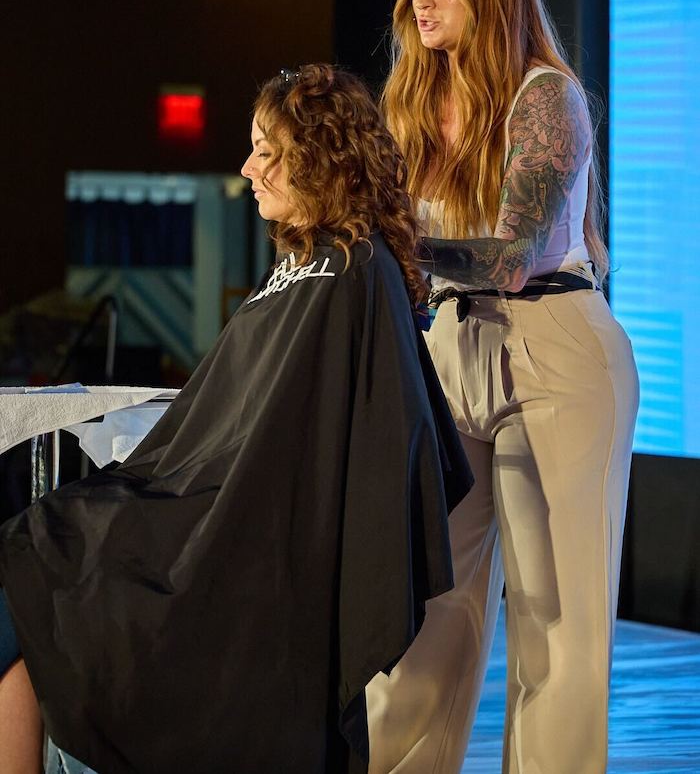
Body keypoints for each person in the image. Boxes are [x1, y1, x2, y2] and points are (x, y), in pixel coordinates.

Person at [0, 64, 472, 774]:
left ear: (318, 155)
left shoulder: (355, 272)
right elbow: (230, 420)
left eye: (266, 149)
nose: (248, 167)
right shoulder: (310, 266)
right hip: (203, 520)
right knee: (27, 581)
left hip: (234, 550)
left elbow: (339, 452)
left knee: (32, 585)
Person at [366, 0, 639, 774]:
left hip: (555, 347)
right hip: (455, 349)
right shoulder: (410, 100)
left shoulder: (545, 97)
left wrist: (386, 242)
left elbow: (517, 258)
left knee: (556, 619)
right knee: (429, 603)